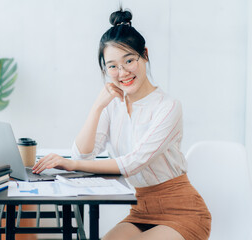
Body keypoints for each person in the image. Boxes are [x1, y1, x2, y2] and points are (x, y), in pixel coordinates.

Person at [33, 7, 211, 240]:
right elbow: (83, 154)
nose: (122, 72)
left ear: (144, 54)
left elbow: (132, 163)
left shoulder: (168, 107)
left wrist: (69, 163)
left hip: (183, 212)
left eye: (129, 60)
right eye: (112, 66)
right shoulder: (113, 104)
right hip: (140, 211)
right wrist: (97, 106)